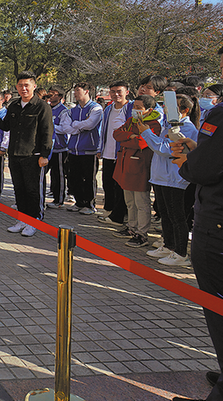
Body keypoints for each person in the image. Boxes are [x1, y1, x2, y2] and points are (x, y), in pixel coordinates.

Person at [171, 47, 223, 401]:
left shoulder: (220, 114)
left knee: (218, 307)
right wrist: (197, 149)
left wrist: (187, 162)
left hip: (217, 226)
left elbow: (204, 169)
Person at [0, 71, 53, 237]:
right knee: (19, 189)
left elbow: (47, 132)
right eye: (21, 85)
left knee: (33, 190)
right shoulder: (14, 105)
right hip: (15, 155)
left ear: (34, 86)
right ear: (16, 87)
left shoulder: (42, 106)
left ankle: (34, 221)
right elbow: (6, 126)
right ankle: (22, 219)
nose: (24, 88)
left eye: (27, 85)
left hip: (33, 156)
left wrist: (45, 155)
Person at [137, 93, 198, 264]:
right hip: (161, 177)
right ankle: (168, 245)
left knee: (177, 216)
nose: (165, 110)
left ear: (184, 110)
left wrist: (146, 133)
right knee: (165, 213)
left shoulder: (187, 128)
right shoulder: (168, 125)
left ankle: (180, 253)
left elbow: (166, 148)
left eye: (171, 107)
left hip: (176, 179)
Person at [112, 95, 161, 248]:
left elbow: (141, 142)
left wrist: (131, 138)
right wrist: (131, 135)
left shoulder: (153, 125)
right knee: (130, 202)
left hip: (140, 167)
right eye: (135, 107)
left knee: (141, 203)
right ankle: (131, 227)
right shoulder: (131, 121)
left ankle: (142, 233)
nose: (135, 111)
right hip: (126, 166)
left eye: (139, 108)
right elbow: (116, 134)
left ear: (149, 110)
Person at [63, 83, 103, 215]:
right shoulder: (72, 110)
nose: (75, 94)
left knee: (89, 178)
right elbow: (66, 127)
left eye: (78, 91)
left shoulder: (95, 108)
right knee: (74, 178)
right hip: (73, 149)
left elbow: (90, 124)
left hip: (89, 149)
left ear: (87, 92)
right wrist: (79, 126)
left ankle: (90, 204)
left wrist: (76, 126)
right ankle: (79, 202)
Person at [97, 81, 133, 225]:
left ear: (127, 92)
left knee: (120, 186)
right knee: (107, 183)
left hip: (122, 153)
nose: (116, 94)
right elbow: (104, 130)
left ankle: (119, 216)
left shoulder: (131, 108)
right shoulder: (108, 109)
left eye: (119, 91)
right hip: (107, 152)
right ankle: (108, 209)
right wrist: (101, 149)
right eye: (112, 91)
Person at [47, 85, 70, 208]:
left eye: (54, 93)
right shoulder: (46, 108)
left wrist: (49, 126)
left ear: (60, 96)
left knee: (58, 175)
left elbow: (64, 128)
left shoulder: (64, 111)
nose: (50, 95)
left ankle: (59, 200)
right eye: (49, 93)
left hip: (59, 147)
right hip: (47, 147)